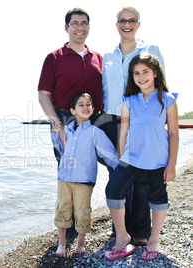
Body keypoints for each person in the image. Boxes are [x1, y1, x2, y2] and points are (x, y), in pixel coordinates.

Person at [104, 53, 178, 261]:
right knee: (113, 189)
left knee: (157, 198)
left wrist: (171, 165)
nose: (141, 76)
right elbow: (124, 132)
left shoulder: (168, 100)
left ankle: (153, 239)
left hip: (158, 159)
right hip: (131, 158)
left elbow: (173, 133)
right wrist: (122, 157)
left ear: (155, 73)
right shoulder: (129, 101)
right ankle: (122, 237)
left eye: (145, 72)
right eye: (136, 73)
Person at [101, 6, 165, 246]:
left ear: (138, 24)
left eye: (131, 20)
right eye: (122, 20)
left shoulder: (150, 50)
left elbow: (160, 85)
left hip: (139, 120)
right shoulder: (107, 56)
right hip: (110, 119)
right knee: (116, 173)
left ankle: (140, 229)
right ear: (116, 24)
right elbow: (104, 88)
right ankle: (119, 228)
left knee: (140, 175)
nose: (126, 24)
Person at [38, 7, 103, 237]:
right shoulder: (54, 58)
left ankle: (113, 223)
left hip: (94, 120)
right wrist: (57, 124)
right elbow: (43, 94)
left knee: (100, 169)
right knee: (68, 173)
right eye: (75, 23)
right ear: (67, 27)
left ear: (88, 27)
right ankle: (69, 229)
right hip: (64, 119)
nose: (79, 27)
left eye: (84, 23)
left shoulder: (98, 58)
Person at [51, 93, 118, 257]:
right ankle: (62, 243)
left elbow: (109, 154)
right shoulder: (66, 130)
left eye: (88, 104)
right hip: (64, 178)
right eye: (81, 105)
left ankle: (80, 243)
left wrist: (121, 170)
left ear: (93, 109)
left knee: (83, 212)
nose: (85, 107)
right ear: (73, 111)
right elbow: (59, 148)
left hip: (84, 180)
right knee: (62, 209)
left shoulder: (95, 132)